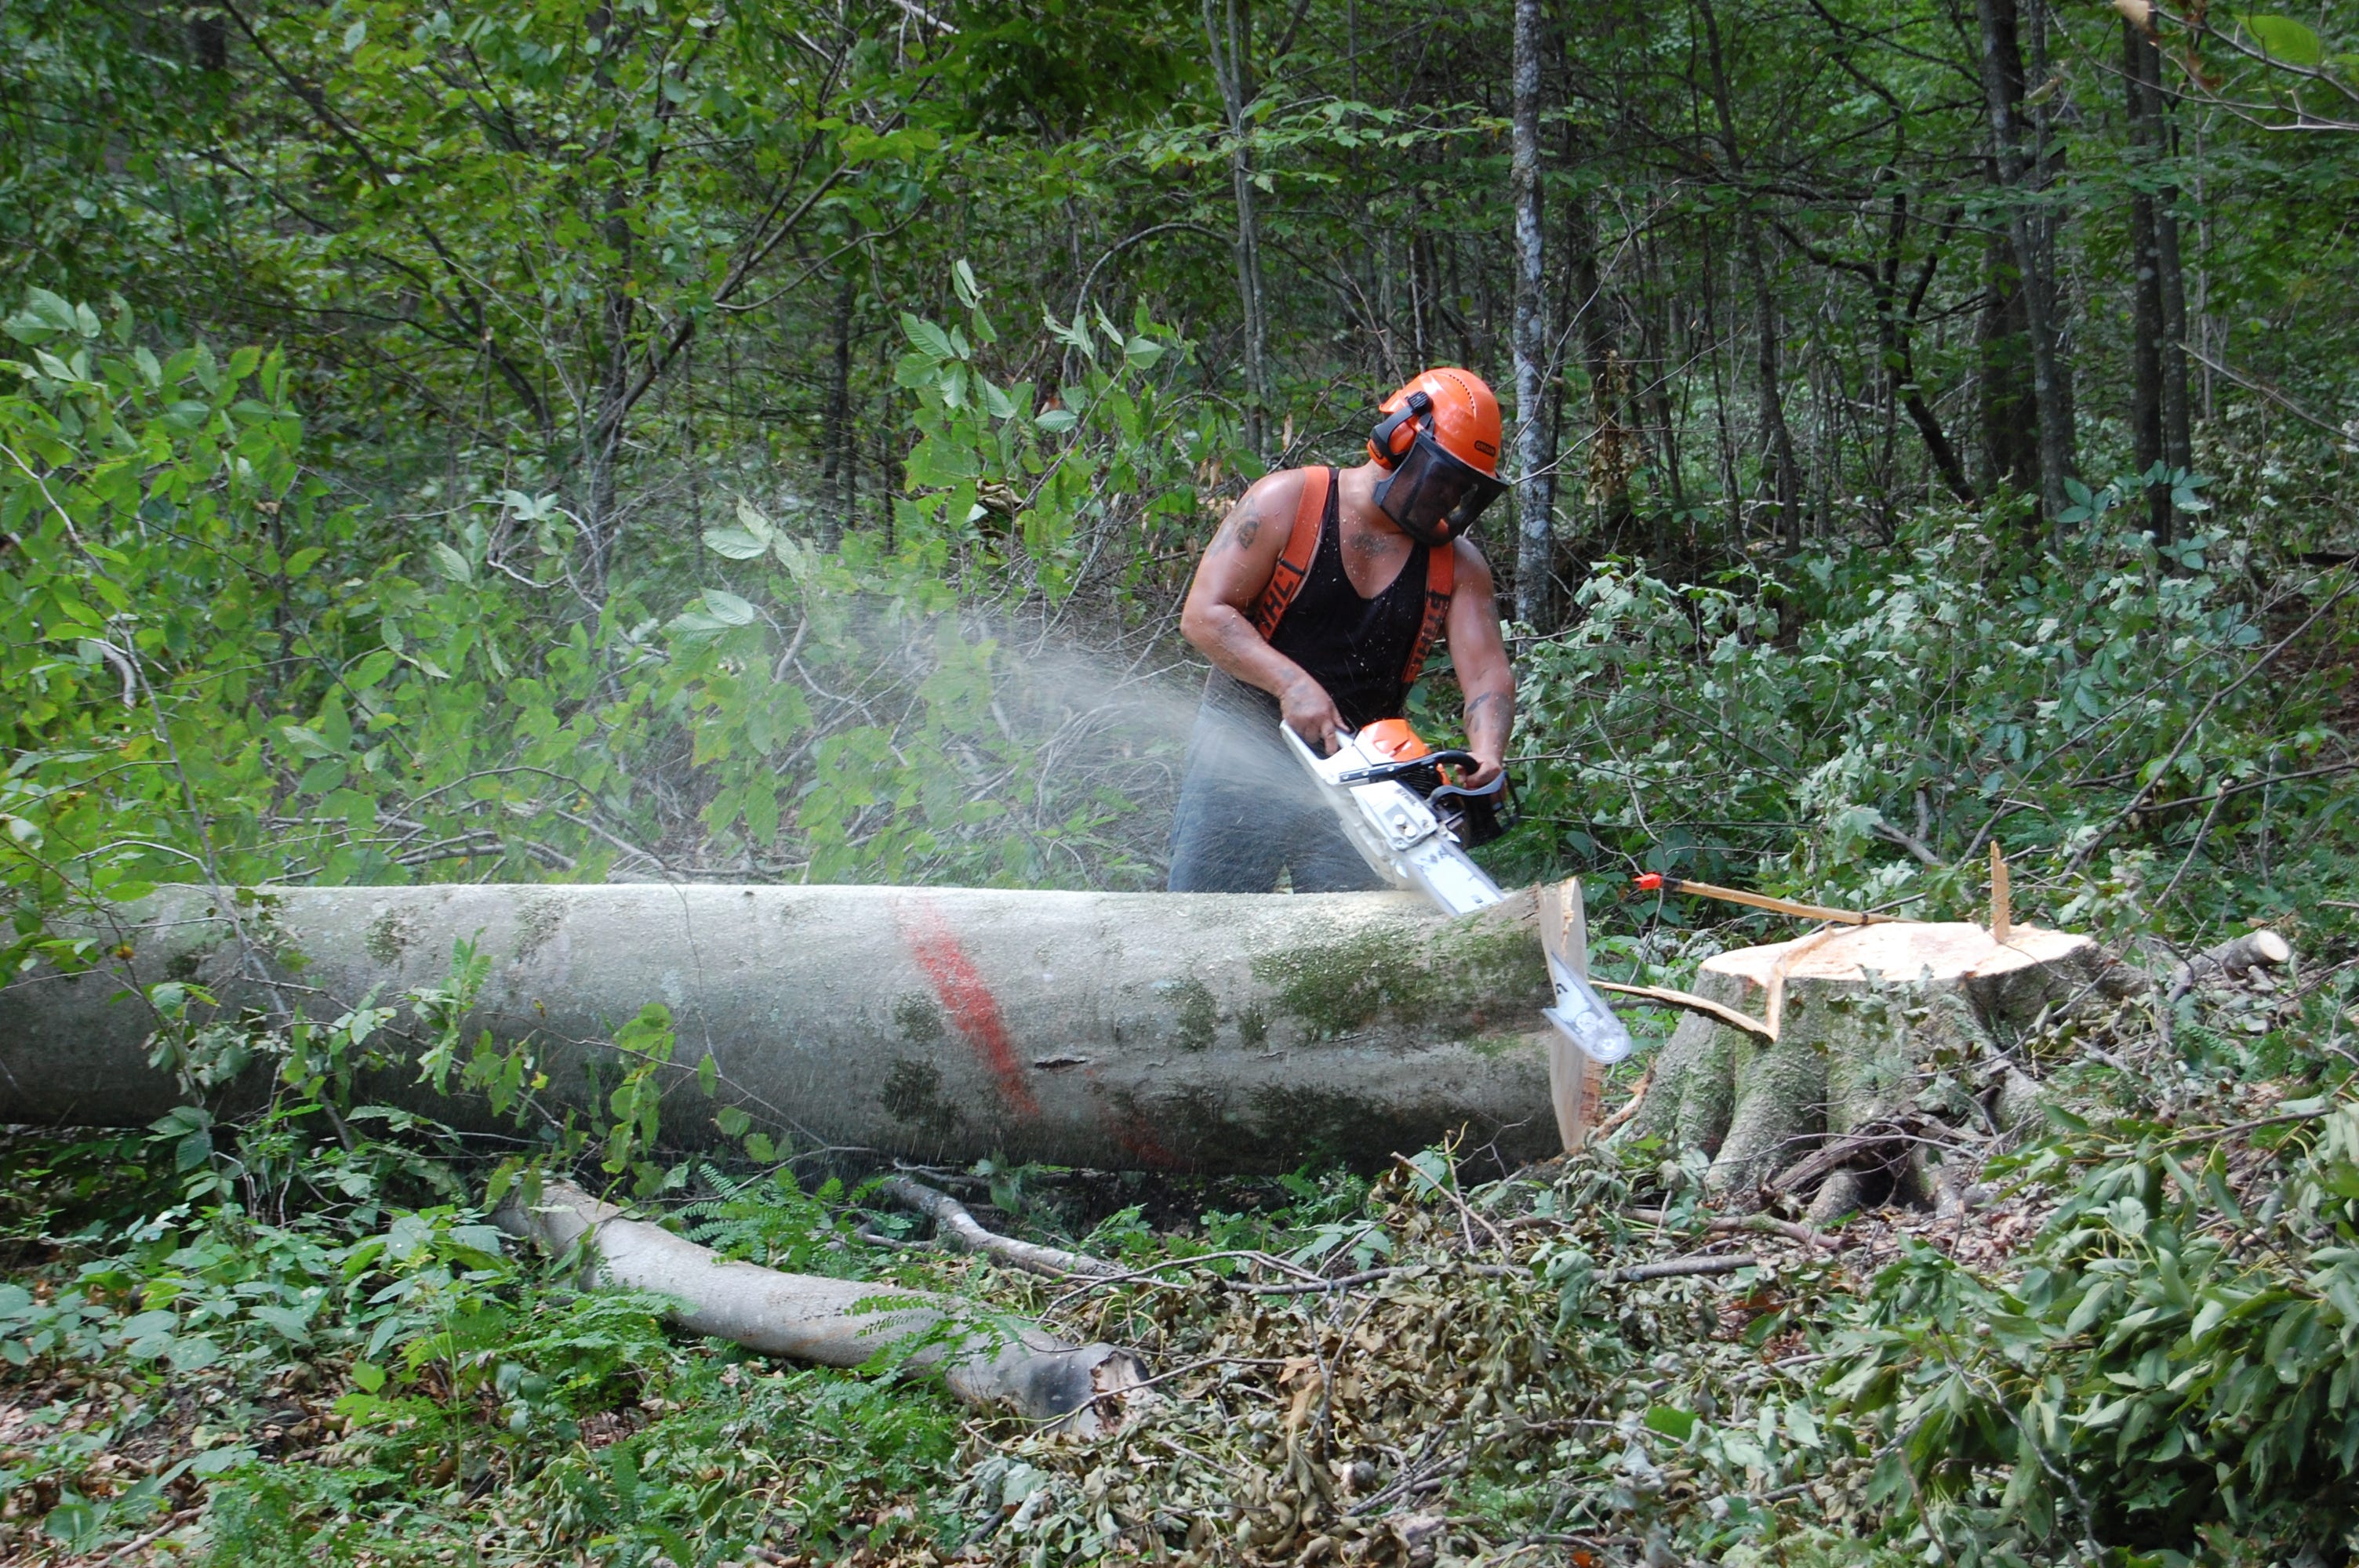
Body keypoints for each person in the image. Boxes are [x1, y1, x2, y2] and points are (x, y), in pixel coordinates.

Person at [1167, 367, 1518, 893]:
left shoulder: (1458, 564)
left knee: (1362, 933)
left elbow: (1488, 673)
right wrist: (1290, 683)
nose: (1449, 497)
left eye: (1464, 487)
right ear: (1399, 438)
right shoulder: (1289, 502)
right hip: (1240, 751)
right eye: (1443, 476)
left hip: (1364, 772)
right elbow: (1204, 614)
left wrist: (1487, 753)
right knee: (1205, 920)